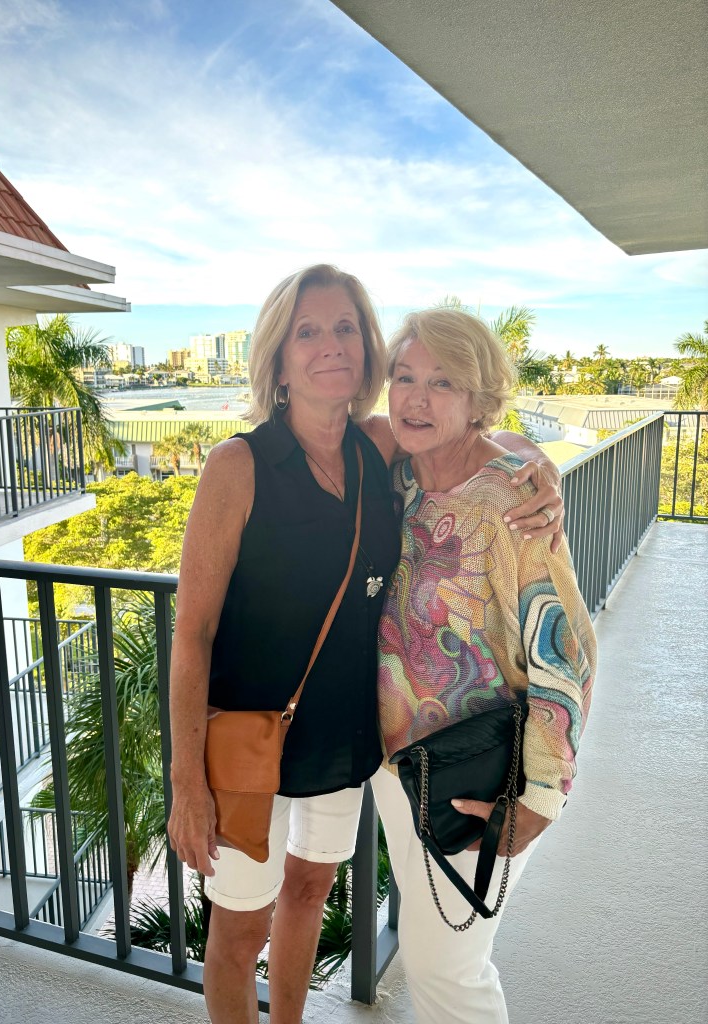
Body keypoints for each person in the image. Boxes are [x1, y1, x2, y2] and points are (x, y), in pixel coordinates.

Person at [166, 265, 565, 1024]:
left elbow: (474, 432)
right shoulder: (237, 465)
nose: (331, 345)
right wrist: (187, 781)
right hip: (247, 740)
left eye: (346, 327)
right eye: (308, 331)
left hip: (344, 736)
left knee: (310, 890)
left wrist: (536, 469)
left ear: (367, 346)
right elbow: (194, 632)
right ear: (279, 358)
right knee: (239, 929)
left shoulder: (375, 446)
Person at [372, 306, 597, 1024]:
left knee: (448, 969)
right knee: (431, 950)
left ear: (478, 400)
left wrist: (543, 796)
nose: (416, 398)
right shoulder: (395, 481)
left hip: (479, 769)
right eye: (405, 376)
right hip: (398, 768)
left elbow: (565, 649)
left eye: (442, 382)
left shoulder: (511, 500)